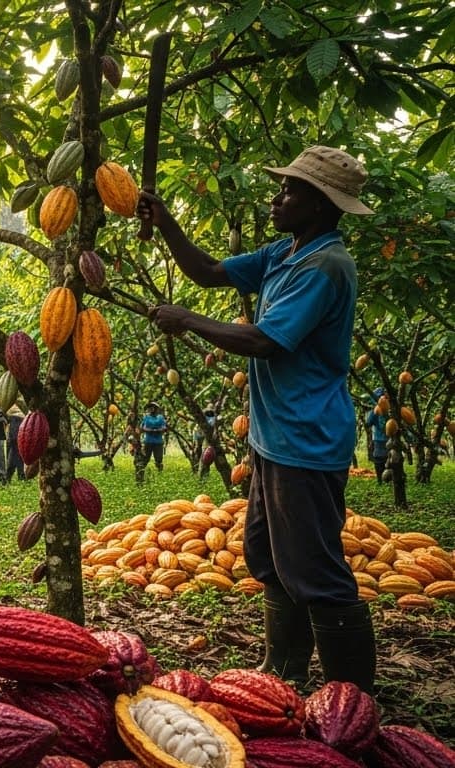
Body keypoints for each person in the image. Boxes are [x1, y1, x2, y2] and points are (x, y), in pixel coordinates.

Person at [137, 145, 376, 692]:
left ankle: (354, 700)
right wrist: (166, 220)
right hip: (274, 439)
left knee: (315, 571)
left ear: (318, 205)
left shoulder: (324, 266)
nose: (277, 198)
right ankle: (285, 671)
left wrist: (187, 322)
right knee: (269, 556)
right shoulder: (285, 253)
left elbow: (266, 341)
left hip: (306, 441)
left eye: (289, 191)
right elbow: (207, 271)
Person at [139, 402, 168, 472]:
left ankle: (160, 473)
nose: (151, 409)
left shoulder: (160, 417)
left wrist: (157, 430)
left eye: (153, 407)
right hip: (148, 441)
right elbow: (142, 427)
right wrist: (151, 430)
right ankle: (141, 472)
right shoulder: (146, 417)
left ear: (156, 409)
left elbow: (164, 428)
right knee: (145, 459)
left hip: (158, 442)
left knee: (159, 459)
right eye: (150, 407)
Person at [3, 402, 26, 482]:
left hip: (17, 422)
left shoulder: (10, 402)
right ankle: (19, 475)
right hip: (19, 422)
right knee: (17, 451)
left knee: (15, 451)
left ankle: (10, 476)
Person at [192, 407, 217, 479]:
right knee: (203, 458)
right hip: (202, 440)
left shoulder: (210, 420)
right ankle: (201, 475)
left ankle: (202, 477)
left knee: (205, 459)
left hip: (206, 441)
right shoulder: (209, 419)